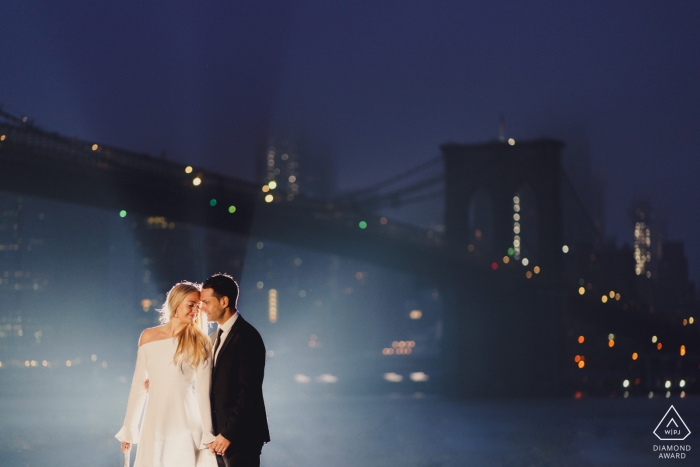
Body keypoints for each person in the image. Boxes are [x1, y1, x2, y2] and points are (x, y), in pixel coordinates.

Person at [116, 281, 217, 467]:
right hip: (154, 420)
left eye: (198, 305)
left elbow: (204, 392)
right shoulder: (147, 336)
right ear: (176, 303)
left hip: (185, 422)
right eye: (190, 304)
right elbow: (138, 386)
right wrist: (129, 429)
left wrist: (209, 433)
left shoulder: (200, 340)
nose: (195, 310)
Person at [199, 273, 270, 467]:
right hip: (219, 439)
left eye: (206, 302)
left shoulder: (247, 336)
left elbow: (248, 391)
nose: (202, 308)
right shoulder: (215, 337)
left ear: (224, 301)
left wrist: (228, 434)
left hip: (241, 437)